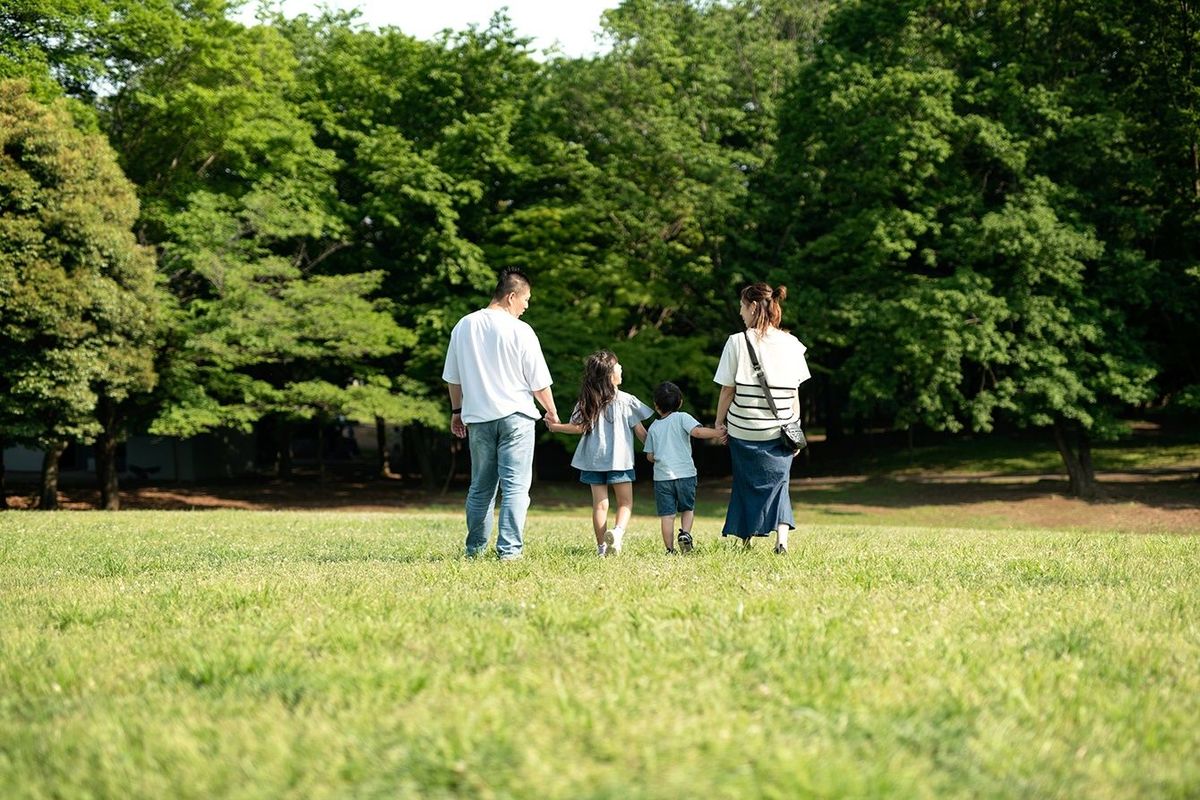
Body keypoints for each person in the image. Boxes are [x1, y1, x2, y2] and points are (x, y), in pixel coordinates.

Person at [442, 268, 559, 561]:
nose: (527, 306)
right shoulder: (520, 330)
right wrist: (552, 412)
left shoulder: (463, 326)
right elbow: (538, 381)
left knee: (481, 487)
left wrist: (457, 412)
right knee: (516, 487)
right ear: (511, 296)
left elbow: (453, 379)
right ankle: (509, 552)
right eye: (526, 299)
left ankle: (475, 550)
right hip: (516, 417)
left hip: (478, 418)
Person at [713, 283, 811, 554]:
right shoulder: (792, 344)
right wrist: (795, 428)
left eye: (742, 307)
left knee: (745, 484)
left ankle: (745, 541)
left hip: (744, 430)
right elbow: (794, 392)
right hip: (780, 430)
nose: (740, 312)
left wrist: (719, 423)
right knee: (780, 486)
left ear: (754, 307)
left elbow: (727, 389)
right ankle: (782, 541)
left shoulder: (736, 341)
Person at [546, 350, 653, 556]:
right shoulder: (627, 400)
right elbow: (641, 432)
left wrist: (556, 427)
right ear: (610, 375)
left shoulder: (587, 401)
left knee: (600, 506)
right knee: (625, 502)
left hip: (593, 460)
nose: (621, 368)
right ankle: (618, 533)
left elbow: (578, 428)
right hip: (619, 461)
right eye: (617, 365)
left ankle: (601, 548)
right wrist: (656, 450)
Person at [643, 381, 726, 554]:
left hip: (662, 478)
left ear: (656, 405)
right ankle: (685, 534)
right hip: (685, 474)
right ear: (680, 402)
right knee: (687, 509)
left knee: (667, 515)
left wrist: (658, 456)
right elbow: (697, 432)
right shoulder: (683, 417)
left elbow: (650, 456)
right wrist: (717, 433)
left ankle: (669, 549)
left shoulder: (653, 427)